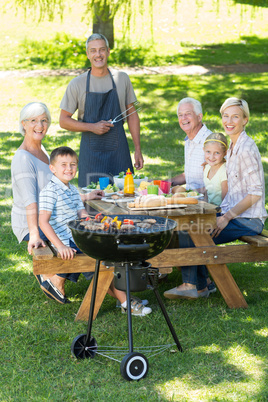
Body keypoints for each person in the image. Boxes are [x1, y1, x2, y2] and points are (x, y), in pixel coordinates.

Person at [164, 97, 267, 300]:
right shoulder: (232, 147)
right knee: (191, 225)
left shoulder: (246, 149)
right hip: (232, 212)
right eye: (225, 116)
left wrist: (226, 217)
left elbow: (256, 193)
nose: (229, 121)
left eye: (235, 116)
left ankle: (193, 285)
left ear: (245, 120)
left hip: (247, 219)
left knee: (194, 231)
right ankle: (202, 285)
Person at [38, 146, 152, 315]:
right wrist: (61, 246)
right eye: (63, 165)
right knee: (102, 262)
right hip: (67, 240)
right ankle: (127, 302)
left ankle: (125, 299)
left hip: (79, 235)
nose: (69, 169)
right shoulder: (50, 191)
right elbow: (43, 222)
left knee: (113, 251)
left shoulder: (72, 190)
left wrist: (93, 220)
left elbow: (82, 214)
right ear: (52, 168)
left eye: (73, 164)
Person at [11, 102, 103, 300]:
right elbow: (31, 202)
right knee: (82, 237)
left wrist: (84, 197)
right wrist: (35, 235)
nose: (40, 125)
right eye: (34, 120)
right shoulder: (23, 159)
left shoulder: (42, 151)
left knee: (92, 223)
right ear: (23, 124)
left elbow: (54, 189)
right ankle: (58, 277)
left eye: (44, 120)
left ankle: (60, 276)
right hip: (33, 222)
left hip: (50, 213)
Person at [59, 33, 144, 187]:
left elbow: (132, 115)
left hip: (119, 153)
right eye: (93, 50)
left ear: (108, 51)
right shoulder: (77, 84)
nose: (98, 54)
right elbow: (63, 120)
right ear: (87, 54)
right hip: (91, 155)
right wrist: (92, 127)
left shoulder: (122, 79)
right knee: (92, 203)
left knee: (124, 198)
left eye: (102, 50)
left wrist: (137, 149)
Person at [171, 97, 212, 192]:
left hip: (207, 202)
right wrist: (162, 183)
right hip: (192, 200)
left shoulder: (210, 142)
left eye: (188, 114)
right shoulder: (189, 140)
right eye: (180, 115)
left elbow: (218, 185)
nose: (183, 118)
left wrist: (187, 194)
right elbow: (190, 175)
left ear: (199, 117)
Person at [203, 132, 228, 206]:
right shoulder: (206, 168)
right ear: (203, 150)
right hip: (210, 209)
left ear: (225, 153)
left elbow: (225, 200)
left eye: (217, 153)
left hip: (220, 211)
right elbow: (207, 194)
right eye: (208, 152)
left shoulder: (224, 171)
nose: (211, 157)